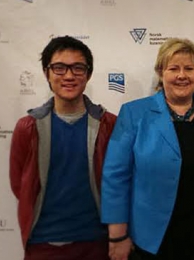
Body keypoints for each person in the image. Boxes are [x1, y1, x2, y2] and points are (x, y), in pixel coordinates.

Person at [101, 38, 194, 260]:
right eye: (173, 68)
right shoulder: (134, 113)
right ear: (161, 73)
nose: (182, 75)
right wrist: (117, 236)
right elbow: (115, 176)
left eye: (189, 68)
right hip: (153, 240)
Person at [9, 36, 117, 260]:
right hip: (43, 243)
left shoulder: (110, 125)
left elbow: (121, 184)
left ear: (88, 74)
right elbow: (20, 184)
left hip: (97, 243)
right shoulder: (27, 128)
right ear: (46, 73)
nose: (69, 76)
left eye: (78, 68)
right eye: (59, 68)